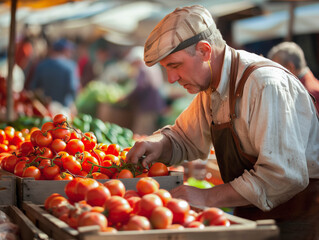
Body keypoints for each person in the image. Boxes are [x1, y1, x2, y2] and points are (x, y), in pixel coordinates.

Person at [125, 5, 319, 240]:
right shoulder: (212, 88)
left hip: (298, 219)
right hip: (253, 214)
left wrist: (207, 197)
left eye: (175, 66)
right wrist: (158, 143)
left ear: (205, 51)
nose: (171, 78)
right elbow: (184, 138)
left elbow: (283, 174)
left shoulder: (264, 85)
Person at [29, 38, 80, 118]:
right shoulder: (70, 66)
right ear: (65, 51)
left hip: (45, 110)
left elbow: (33, 87)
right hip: (64, 111)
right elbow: (72, 88)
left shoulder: (42, 65)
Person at [123, 46, 167, 135]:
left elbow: (140, 87)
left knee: (142, 134)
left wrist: (126, 97)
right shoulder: (152, 67)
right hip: (154, 106)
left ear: (137, 60)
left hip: (147, 107)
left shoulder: (143, 69)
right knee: (149, 132)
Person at [267, 41, 319, 113]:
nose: (273, 74)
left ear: (289, 67)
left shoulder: (306, 93)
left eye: (276, 69)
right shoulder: (308, 88)